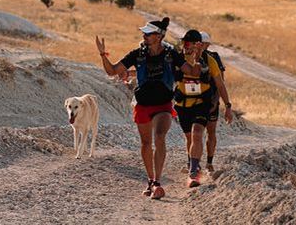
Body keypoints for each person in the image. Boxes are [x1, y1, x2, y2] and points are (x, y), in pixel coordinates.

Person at [95, 17, 202, 200]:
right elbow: (112, 71)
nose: (144, 35)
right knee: (145, 144)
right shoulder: (137, 54)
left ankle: (157, 182)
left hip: (163, 106)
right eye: (144, 33)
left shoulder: (171, 55)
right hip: (143, 105)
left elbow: (192, 72)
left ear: (159, 36)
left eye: (148, 33)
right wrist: (103, 55)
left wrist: (196, 58)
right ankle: (151, 180)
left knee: (160, 137)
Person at [175, 29, 233, 188]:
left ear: (198, 44)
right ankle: (193, 163)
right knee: (190, 137)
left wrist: (228, 106)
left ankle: (194, 171)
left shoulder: (210, 60)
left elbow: (220, 84)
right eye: (184, 42)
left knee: (197, 133)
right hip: (182, 104)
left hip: (202, 103)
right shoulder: (177, 58)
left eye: (188, 43)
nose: (185, 46)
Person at [200, 31, 227, 172]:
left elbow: (220, 82)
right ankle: (192, 163)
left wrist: (216, 101)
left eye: (203, 43)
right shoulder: (189, 56)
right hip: (195, 100)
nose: (200, 45)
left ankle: (209, 162)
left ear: (207, 44)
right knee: (195, 133)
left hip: (211, 99)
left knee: (211, 131)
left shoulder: (214, 57)